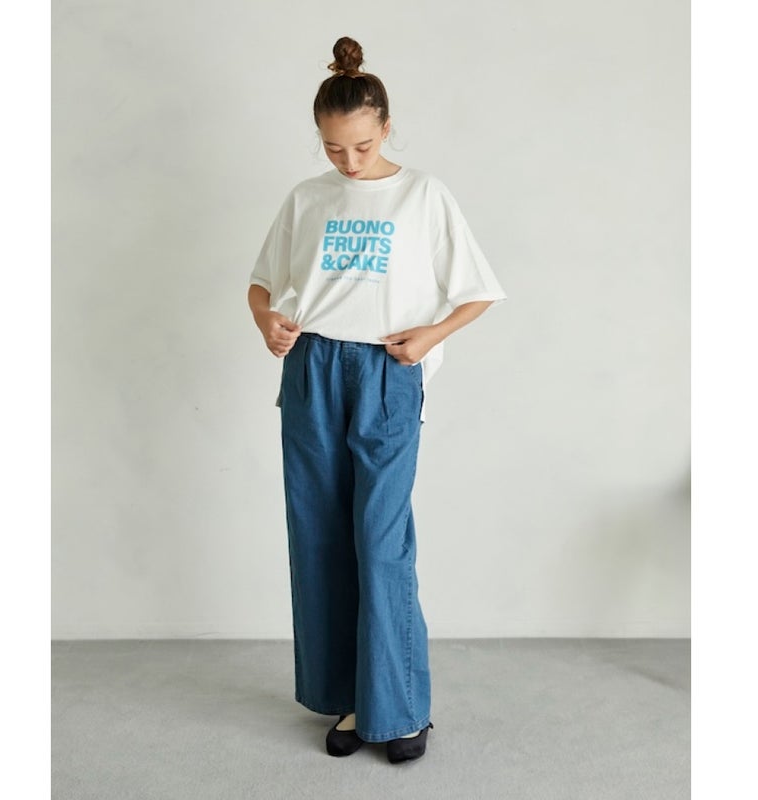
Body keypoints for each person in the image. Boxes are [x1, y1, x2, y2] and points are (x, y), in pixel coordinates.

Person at [248, 36, 506, 763]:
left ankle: (400, 709)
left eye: (362, 145)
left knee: (380, 540)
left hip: (387, 370)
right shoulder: (308, 199)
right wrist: (267, 321)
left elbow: (479, 290)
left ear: (386, 127)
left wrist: (432, 335)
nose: (350, 161)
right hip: (313, 369)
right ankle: (351, 698)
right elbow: (263, 283)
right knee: (319, 535)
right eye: (334, 148)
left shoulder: (425, 195)